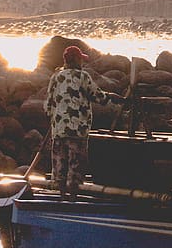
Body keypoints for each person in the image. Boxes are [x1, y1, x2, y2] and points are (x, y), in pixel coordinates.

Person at [44, 45, 124, 201]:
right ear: (76, 60)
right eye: (81, 59)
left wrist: (56, 118)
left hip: (59, 130)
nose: (82, 62)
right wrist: (112, 97)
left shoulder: (55, 77)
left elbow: (48, 105)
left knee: (60, 163)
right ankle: (73, 197)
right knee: (75, 165)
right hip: (77, 130)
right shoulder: (83, 77)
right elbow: (98, 96)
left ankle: (60, 195)